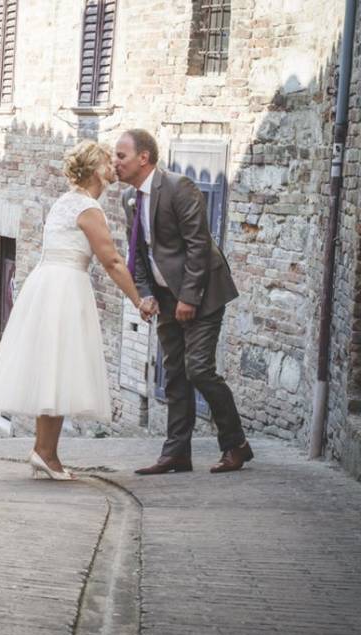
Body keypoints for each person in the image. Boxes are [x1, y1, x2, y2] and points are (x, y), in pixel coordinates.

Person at [0, 140, 150, 480]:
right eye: (106, 161)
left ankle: (45, 452)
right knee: (58, 364)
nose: (113, 165)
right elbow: (112, 260)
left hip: (47, 283)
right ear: (95, 170)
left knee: (52, 366)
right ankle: (45, 452)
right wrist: (137, 299)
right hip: (65, 286)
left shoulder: (65, 202)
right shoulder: (87, 208)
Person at [114, 129, 252, 474]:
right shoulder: (129, 199)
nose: (114, 163)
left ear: (143, 157)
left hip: (203, 294)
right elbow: (139, 254)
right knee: (174, 373)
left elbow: (198, 244)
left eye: (121, 156)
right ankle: (177, 453)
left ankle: (236, 445)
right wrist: (145, 293)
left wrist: (189, 297)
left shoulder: (178, 187)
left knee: (199, 369)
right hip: (165, 298)